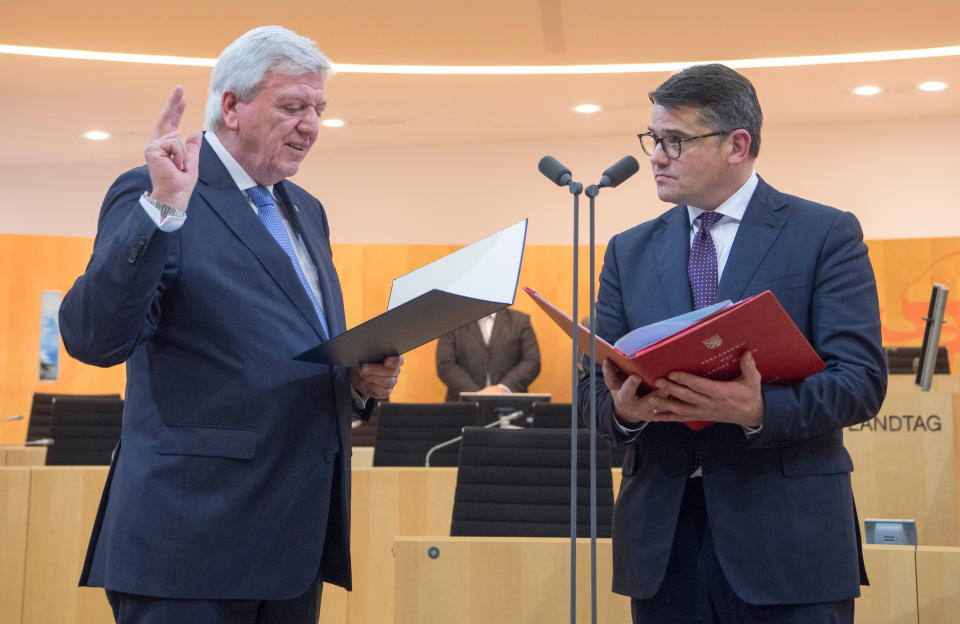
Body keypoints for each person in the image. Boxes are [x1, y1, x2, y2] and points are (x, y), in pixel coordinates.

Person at [59, 26, 403, 624]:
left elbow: (279, 350)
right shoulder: (158, 190)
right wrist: (163, 210)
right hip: (190, 544)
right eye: (293, 106)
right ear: (232, 106)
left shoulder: (307, 209)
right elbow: (93, 337)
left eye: (318, 109)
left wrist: (356, 384)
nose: (311, 125)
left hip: (292, 541)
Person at [580, 63, 886, 623]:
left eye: (674, 140)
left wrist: (758, 409)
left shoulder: (824, 234)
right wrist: (622, 410)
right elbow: (589, 387)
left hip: (787, 540)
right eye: (653, 139)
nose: (656, 156)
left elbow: (861, 380)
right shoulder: (628, 251)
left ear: (736, 145)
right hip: (663, 545)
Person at [436, 307, 541, 401]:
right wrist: (475, 394)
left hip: (510, 405)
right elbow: (445, 363)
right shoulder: (453, 322)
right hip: (463, 406)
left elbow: (532, 361)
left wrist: (503, 388)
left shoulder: (520, 321)